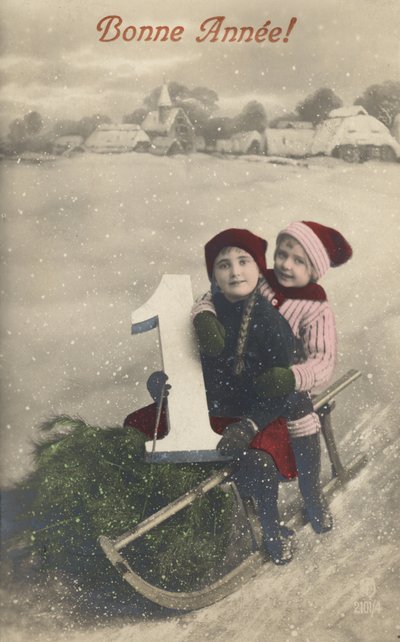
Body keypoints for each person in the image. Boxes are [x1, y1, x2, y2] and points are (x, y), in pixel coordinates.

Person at [192, 221, 353, 544]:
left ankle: (311, 493)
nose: (285, 265)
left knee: (302, 415)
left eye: (298, 261)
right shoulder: (259, 278)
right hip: (249, 376)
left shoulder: (315, 307)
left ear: (315, 271)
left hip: (289, 382)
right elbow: (214, 291)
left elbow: (322, 361)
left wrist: (293, 377)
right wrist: (205, 313)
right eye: (282, 254)